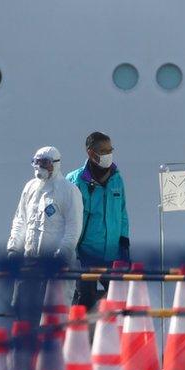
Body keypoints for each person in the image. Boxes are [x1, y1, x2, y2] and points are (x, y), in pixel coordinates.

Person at [4, 147, 83, 327]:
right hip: (29, 263)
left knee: (52, 317)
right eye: (37, 162)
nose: (40, 167)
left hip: (55, 266)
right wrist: (14, 249)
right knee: (21, 310)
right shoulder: (30, 188)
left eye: (45, 163)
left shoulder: (69, 191)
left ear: (55, 164)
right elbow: (20, 220)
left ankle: (52, 353)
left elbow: (73, 228)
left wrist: (61, 256)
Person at [67, 131, 130, 309]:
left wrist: (124, 241)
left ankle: (114, 336)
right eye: (103, 151)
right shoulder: (76, 181)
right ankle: (80, 336)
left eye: (110, 149)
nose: (108, 154)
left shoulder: (117, 178)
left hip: (113, 252)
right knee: (84, 299)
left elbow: (122, 211)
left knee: (118, 299)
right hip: (85, 253)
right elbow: (70, 217)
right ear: (90, 153)